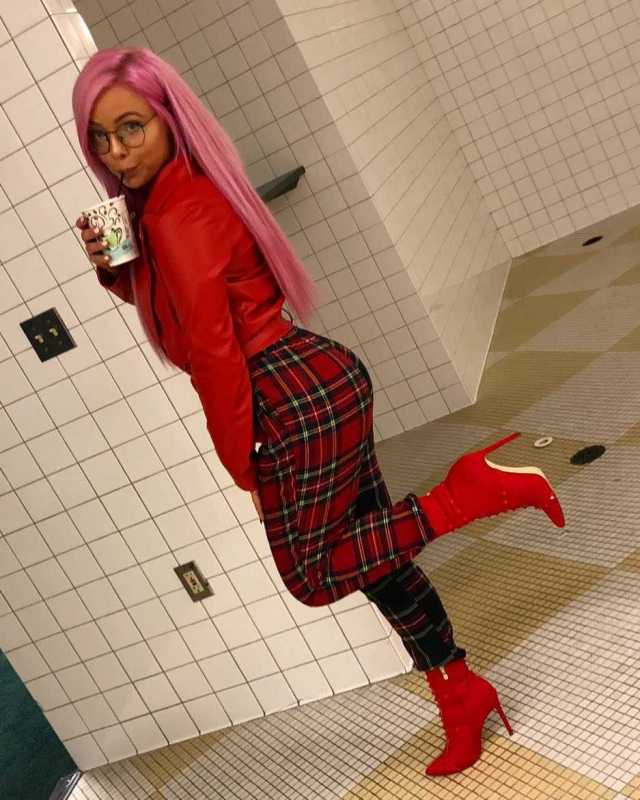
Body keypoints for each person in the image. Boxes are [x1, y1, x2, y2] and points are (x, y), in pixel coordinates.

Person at [72, 47, 565, 777]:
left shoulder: (177, 214)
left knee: (312, 575)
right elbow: (183, 311)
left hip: (284, 397)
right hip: (317, 376)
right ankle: (462, 694)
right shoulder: (179, 199)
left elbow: (214, 354)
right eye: (100, 137)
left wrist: (241, 459)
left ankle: (469, 492)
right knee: (377, 562)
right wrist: (117, 272)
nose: (116, 152)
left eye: (131, 128)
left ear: (169, 118)